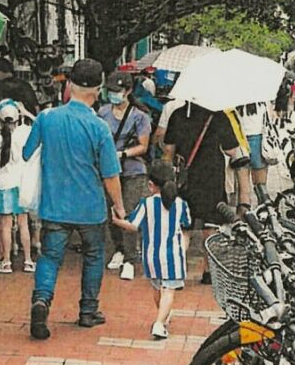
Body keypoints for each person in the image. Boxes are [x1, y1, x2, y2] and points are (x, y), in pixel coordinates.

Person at [23, 59, 126, 340]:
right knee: (94, 255)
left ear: (70, 85)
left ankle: (41, 301)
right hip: (90, 207)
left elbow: (26, 152)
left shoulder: (47, 118)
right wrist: (119, 208)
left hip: (54, 205)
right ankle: (88, 311)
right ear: (99, 89)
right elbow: (110, 175)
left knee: (50, 256)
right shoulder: (99, 127)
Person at [162, 102, 247, 284]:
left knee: (185, 227)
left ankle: (177, 271)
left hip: (185, 179)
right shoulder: (218, 116)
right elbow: (232, 150)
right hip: (212, 178)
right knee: (210, 227)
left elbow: (168, 151)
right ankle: (208, 272)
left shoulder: (178, 115)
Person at [111, 160, 190, 339]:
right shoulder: (180, 204)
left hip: (151, 255)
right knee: (169, 290)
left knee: (157, 288)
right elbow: (186, 226)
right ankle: (159, 323)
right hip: (172, 255)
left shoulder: (146, 204)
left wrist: (115, 220)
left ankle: (163, 316)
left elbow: (132, 225)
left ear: (151, 185)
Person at [98, 71, 151, 278]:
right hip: (109, 171)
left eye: (117, 91)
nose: (114, 94)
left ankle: (130, 257)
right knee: (111, 212)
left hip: (132, 171)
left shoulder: (139, 116)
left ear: (128, 91)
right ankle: (119, 249)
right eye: (110, 91)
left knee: (127, 212)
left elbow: (143, 146)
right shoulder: (102, 113)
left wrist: (122, 154)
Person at [0, 99, 36, 274]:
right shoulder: (25, 133)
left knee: (5, 225)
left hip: (3, 184)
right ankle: (28, 260)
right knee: (24, 224)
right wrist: (25, 111)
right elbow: (41, 126)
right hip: (22, 185)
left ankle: (6, 262)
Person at [236, 102, 269, 202]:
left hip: (240, 142)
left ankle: (244, 214)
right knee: (261, 186)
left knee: (243, 190)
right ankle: (264, 211)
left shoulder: (236, 104)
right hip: (258, 142)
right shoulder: (262, 103)